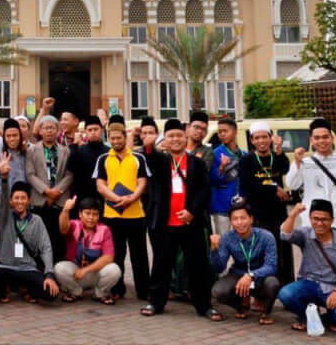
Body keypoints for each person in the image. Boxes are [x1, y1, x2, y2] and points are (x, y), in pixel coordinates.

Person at [141, 118, 218, 319]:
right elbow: (150, 157)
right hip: (166, 224)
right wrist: (149, 144)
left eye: (179, 135)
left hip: (191, 223)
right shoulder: (161, 161)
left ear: (185, 137)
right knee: (161, 266)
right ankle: (156, 303)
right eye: (170, 136)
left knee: (197, 266)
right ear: (164, 140)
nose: (175, 139)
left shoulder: (197, 162)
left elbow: (204, 190)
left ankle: (204, 306)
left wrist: (191, 211)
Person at [279, 200, 336, 333]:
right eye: (315, 219)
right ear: (310, 218)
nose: (319, 223)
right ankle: (306, 317)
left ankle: (328, 318)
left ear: (332, 220)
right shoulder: (305, 234)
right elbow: (285, 235)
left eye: (324, 219)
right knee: (285, 294)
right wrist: (293, 214)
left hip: (333, 288)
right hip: (308, 284)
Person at [94, 121, 150, 302]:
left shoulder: (138, 158)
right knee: (116, 254)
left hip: (136, 215)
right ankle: (118, 288)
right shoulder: (103, 159)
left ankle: (143, 290)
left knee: (139, 255)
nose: (116, 141)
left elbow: (142, 182)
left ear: (126, 138)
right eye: (113, 138)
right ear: (109, 139)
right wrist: (116, 198)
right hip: (112, 215)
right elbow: (100, 185)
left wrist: (132, 198)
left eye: (119, 137)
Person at [0, 178, 58, 303]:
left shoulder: (36, 220)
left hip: (28, 269)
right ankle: (4, 291)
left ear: (29, 201)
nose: (20, 201)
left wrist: (49, 274)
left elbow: (46, 247)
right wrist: (5, 179)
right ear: (11, 201)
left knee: (50, 293)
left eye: (23, 198)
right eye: (16, 198)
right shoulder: (5, 216)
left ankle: (28, 290)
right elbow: (3, 200)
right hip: (5, 267)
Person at [237, 121, 293, 284]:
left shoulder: (276, 157)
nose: (261, 141)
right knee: (260, 252)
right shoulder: (246, 160)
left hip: (279, 213)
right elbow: (248, 185)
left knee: (282, 250)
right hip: (258, 213)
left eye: (264, 137)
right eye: (257, 138)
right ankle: (261, 288)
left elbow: (285, 168)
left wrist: (280, 149)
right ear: (252, 140)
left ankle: (285, 286)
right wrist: (274, 189)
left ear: (270, 138)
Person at [287, 118, 336, 235]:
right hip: (313, 222)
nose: (321, 141)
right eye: (317, 138)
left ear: (332, 138)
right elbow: (292, 185)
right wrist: (297, 163)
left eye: (325, 137)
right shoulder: (305, 163)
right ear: (311, 140)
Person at [209, 201, 280, 324]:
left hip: (260, 276)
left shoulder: (266, 237)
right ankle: (241, 307)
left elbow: (271, 266)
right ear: (231, 222)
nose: (240, 222)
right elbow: (219, 268)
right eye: (235, 219)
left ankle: (266, 313)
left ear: (251, 219)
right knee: (218, 291)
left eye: (243, 218)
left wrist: (251, 275)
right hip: (238, 274)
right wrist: (214, 250)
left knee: (273, 283)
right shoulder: (227, 238)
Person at [54, 196, 121, 304]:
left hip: (95, 274)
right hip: (77, 274)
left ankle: (100, 294)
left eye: (95, 214)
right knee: (59, 268)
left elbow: (109, 257)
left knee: (114, 269)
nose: (91, 217)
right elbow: (63, 228)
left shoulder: (104, 230)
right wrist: (66, 210)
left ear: (99, 216)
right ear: (80, 214)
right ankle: (75, 291)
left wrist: (85, 270)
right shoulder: (75, 225)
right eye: (88, 213)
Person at [25, 115, 73, 263]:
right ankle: (40, 272)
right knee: (39, 238)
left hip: (60, 200)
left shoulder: (65, 151)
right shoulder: (32, 150)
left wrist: (56, 192)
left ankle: (57, 271)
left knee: (58, 238)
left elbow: (70, 174)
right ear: (40, 130)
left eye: (52, 128)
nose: (49, 131)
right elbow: (30, 174)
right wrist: (46, 191)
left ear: (58, 130)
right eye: (46, 128)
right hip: (40, 200)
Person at [209, 117, 244, 235]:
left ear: (235, 132)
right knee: (222, 242)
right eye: (219, 132)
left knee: (241, 241)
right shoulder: (215, 154)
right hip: (222, 205)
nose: (222, 134)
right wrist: (222, 167)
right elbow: (213, 180)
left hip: (241, 205)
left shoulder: (244, 155)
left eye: (225, 131)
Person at [66, 116, 108, 203]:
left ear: (102, 130)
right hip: (83, 199)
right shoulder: (79, 151)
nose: (93, 132)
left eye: (96, 129)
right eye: (90, 130)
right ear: (85, 132)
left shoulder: (109, 152)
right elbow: (70, 167)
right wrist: (75, 144)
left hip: (104, 198)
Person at [0, 118, 28, 189]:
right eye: (8, 136)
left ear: (20, 136)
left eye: (15, 135)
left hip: (25, 197)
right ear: (4, 138)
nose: (12, 139)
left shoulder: (27, 153)